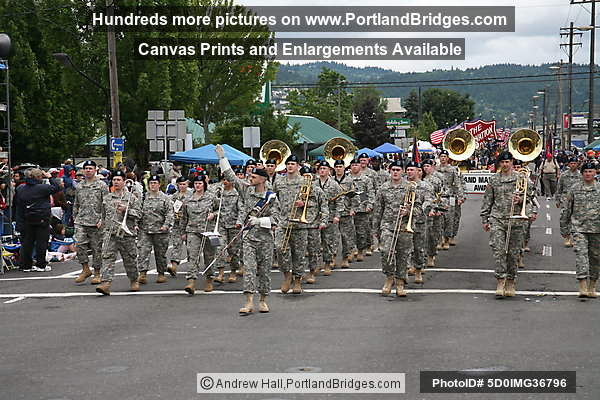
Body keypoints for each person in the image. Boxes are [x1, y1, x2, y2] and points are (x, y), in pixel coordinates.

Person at [217, 144, 280, 313]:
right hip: (249, 238)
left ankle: (264, 300)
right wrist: (222, 158)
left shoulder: (271, 196)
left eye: (253, 176)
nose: (250, 178)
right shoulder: (246, 190)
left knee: (264, 270)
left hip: (265, 239)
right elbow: (231, 177)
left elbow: (277, 219)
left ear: (262, 179)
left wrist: (259, 221)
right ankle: (249, 301)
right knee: (250, 269)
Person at [480, 151, 535, 298]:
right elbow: (487, 201)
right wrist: (485, 219)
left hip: (516, 219)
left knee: (513, 253)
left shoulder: (521, 178)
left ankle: (511, 280)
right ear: (499, 163)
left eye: (507, 162)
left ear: (512, 162)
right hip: (497, 218)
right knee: (499, 251)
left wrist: (521, 200)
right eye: (502, 162)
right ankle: (500, 280)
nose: (505, 165)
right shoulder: (494, 180)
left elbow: (531, 197)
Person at [373, 160, 430, 296]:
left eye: (398, 170)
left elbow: (419, 208)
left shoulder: (410, 187)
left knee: (403, 256)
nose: (395, 172)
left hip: (404, 226)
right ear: (389, 171)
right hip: (387, 225)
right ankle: (389, 278)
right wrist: (375, 229)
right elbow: (377, 210)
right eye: (393, 170)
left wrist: (409, 211)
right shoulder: (383, 188)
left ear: (402, 171)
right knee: (386, 252)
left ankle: (400, 283)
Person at [96, 171, 142, 295]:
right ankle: (106, 283)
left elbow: (139, 214)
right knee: (107, 257)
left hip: (126, 233)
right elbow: (103, 214)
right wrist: (101, 222)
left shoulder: (131, 197)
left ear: (124, 181)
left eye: (118, 180)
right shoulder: (107, 198)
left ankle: (134, 280)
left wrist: (127, 210)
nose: (116, 182)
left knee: (130, 259)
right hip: (110, 233)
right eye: (114, 180)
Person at [560, 162, 600, 298]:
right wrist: (564, 229)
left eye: (591, 171)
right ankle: (582, 284)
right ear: (582, 174)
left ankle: (592, 285)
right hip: (579, 228)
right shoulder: (575, 188)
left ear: (595, 173)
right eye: (586, 172)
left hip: (597, 229)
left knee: (595, 258)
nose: (588, 174)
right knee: (581, 256)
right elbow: (567, 209)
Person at [14, 168, 61, 272]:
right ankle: (41, 264)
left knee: (27, 243)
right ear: (39, 177)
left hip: (26, 218)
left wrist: (19, 222)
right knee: (41, 242)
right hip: (42, 218)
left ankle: (26, 265)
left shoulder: (21, 188)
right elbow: (57, 187)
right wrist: (50, 177)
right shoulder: (43, 188)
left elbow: (18, 206)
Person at [180, 174, 218, 295]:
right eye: (196, 183)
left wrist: (214, 214)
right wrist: (183, 232)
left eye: (200, 183)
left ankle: (209, 279)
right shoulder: (188, 199)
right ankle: (191, 281)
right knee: (193, 256)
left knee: (209, 255)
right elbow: (184, 217)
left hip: (208, 231)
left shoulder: (211, 197)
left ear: (204, 184)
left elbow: (220, 209)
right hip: (192, 230)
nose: (198, 185)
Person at [72, 160, 108, 284]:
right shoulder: (79, 186)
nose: (88, 170)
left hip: (96, 221)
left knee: (96, 248)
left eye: (90, 168)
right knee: (80, 244)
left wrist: (103, 219)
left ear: (95, 170)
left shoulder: (102, 185)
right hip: (81, 220)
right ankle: (85, 269)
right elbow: (76, 203)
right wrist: (75, 217)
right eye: (86, 168)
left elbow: (106, 204)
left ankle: (97, 272)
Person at [137, 175, 174, 285]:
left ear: (159, 184)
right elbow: (138, 212)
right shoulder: (143, 197)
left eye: (155, 183)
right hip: (145, 230)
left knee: (160, 253)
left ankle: (161, 273)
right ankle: (142, 273)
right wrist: (136, 224)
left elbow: (169, 213)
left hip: (160, 230)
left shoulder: (165, 198)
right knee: (143, 252)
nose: (153, 185)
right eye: (151, 183)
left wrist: (166, 225)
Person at [299, 166, 329, 285]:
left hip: (313, 225)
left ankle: (312, 272)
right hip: (299, 225)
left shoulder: (317, 191)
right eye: (304, 177)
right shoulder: (296, 190)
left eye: (308, 177)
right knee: (299, 251)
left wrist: (324, 221)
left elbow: (324, 207)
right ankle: (299, 273)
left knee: (313, 250)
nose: (306, 179)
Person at [314, 160, 343, 276]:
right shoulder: (313, 183)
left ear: (329, 171)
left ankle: (327, 263)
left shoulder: (334, 184)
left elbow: (340, 200)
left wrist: (337, 215)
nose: (322, 170)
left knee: (328, 241)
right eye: (320, 169)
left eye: (324, 169)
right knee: (315, 242)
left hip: (330, 216)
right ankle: (316, 264)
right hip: (315, 216)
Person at [348, 158, 374, 261]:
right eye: (353, 165)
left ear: (360, 166)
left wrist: (370, 205)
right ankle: (349, 251)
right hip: (349, 209)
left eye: (356, 165)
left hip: (362, 209)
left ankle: (360, 250)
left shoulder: (366, 179)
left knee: (361, 232)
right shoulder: (347, 179)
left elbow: (371, 193)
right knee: (348, 232)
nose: (354, 167)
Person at [437, 150, 464, 249]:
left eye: (445, 156)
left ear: (448, 158)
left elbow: (457, 184)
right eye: (441, 156)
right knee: (439, 220)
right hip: (438, 197)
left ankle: (447, 238)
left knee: (450, 219)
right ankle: (440, 239)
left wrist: (460, 196)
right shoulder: (435, 169)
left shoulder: (452, 170)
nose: (443, 158)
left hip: (449, 196)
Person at [333, 159, 357, 268]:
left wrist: (353, 209)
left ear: (344, 168)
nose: (338, 169)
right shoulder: (331, 181)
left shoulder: (349, 180)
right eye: (337, 167)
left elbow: (355, 196)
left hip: (346, 212)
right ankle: (332, 258)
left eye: (340, 167)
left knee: (346, 237)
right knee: (332, 237)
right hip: (333, 213)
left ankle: (345, 258)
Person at [556, 158, 582, 248]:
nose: (573, 165)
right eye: (571, 163)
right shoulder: (564, 175)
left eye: (575, 163)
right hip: (565, 199)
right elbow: (559, 188)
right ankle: (566, 236)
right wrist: (557, 200)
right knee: (564, 217)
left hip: (577, 199)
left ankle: (573, 238)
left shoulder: (581, 175)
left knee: (576, 219)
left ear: (577, 164)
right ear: (569, 164)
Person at [168, 176, 192, 276]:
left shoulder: (192, 195)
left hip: (191, 224)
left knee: (191, 247)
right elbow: (170, 209)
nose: (182, 186)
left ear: (187, 184)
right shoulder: (174, 196)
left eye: (184, 184)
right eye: (180, 184)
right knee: (176, 244)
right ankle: (174, 265)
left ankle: (192, 267)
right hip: (177, 224)